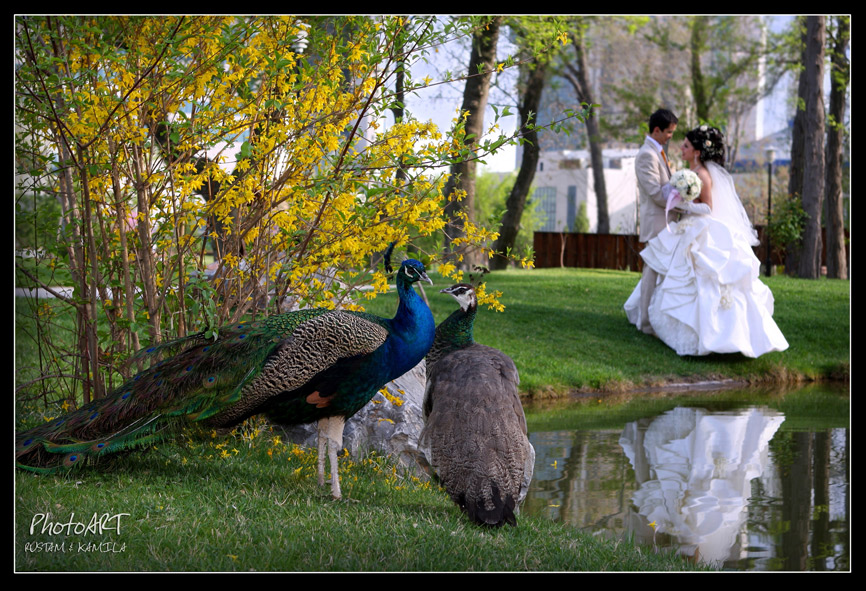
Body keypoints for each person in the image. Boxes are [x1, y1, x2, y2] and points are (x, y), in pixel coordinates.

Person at [624, 125, 789, 358]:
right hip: (687, 225)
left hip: (699, 228)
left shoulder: (701, 175)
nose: (681, 147)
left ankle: (708, 333)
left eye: (687, 146)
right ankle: (650, 318)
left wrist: (684, 203)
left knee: (699, 276)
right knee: (672, 271)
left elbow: (708, 208)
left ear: (698, 152)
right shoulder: (692, 172)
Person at [631, 108, 678, 335]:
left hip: (667, 223)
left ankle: (656, 318)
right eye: (669, 132)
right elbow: (656, 194)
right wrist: (685, 206)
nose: (671, 136)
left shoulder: (659, 152)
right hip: (657, 224)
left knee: (661, 273)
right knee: (651, 274)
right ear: (657, 130)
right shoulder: (646, 155)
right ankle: (645, 322)